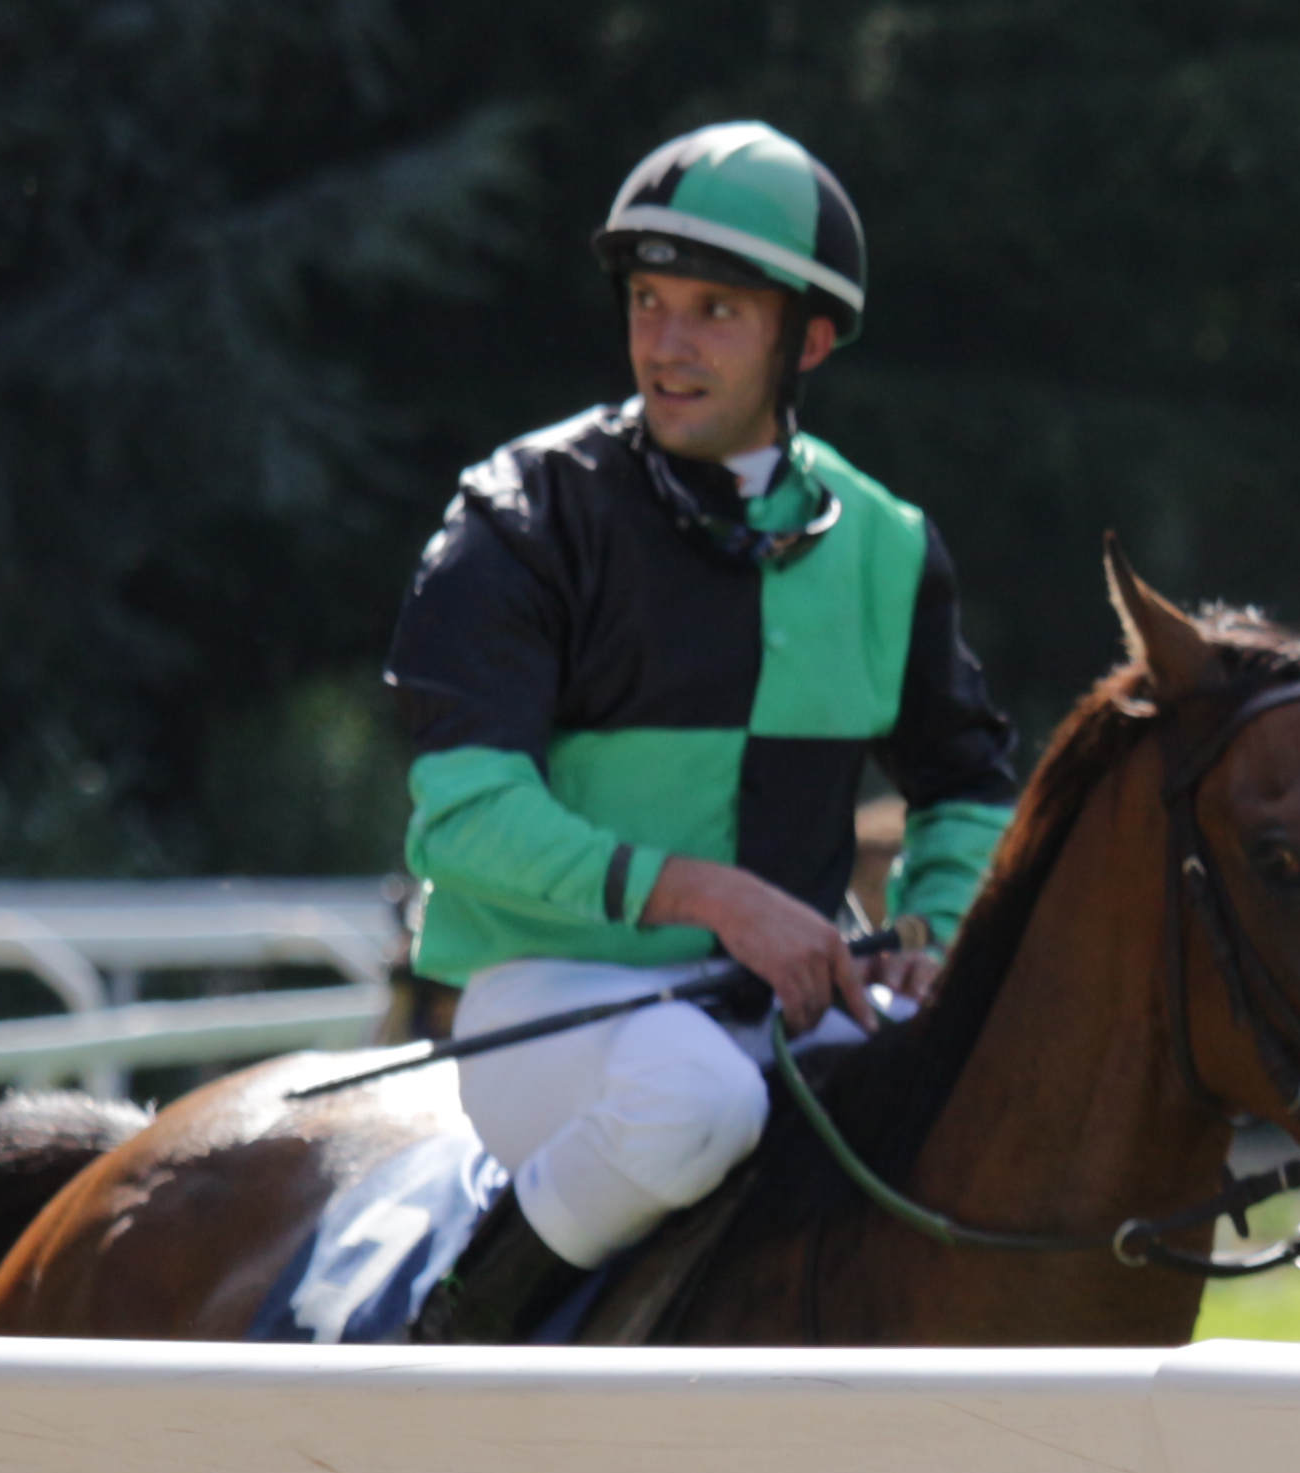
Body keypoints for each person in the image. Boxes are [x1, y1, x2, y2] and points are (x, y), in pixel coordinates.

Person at [380, 120, 1027, 1345]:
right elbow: (462, 820)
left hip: (787, 1002)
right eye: (647, 300)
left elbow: (968, 782)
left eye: (715, 312)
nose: (665, 347)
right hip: (545, 996)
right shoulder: (522, 512)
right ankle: (460, 1333)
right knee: (694, 1099)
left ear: (810, 340)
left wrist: (931, 934)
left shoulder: (885, 544)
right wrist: (714, 896)